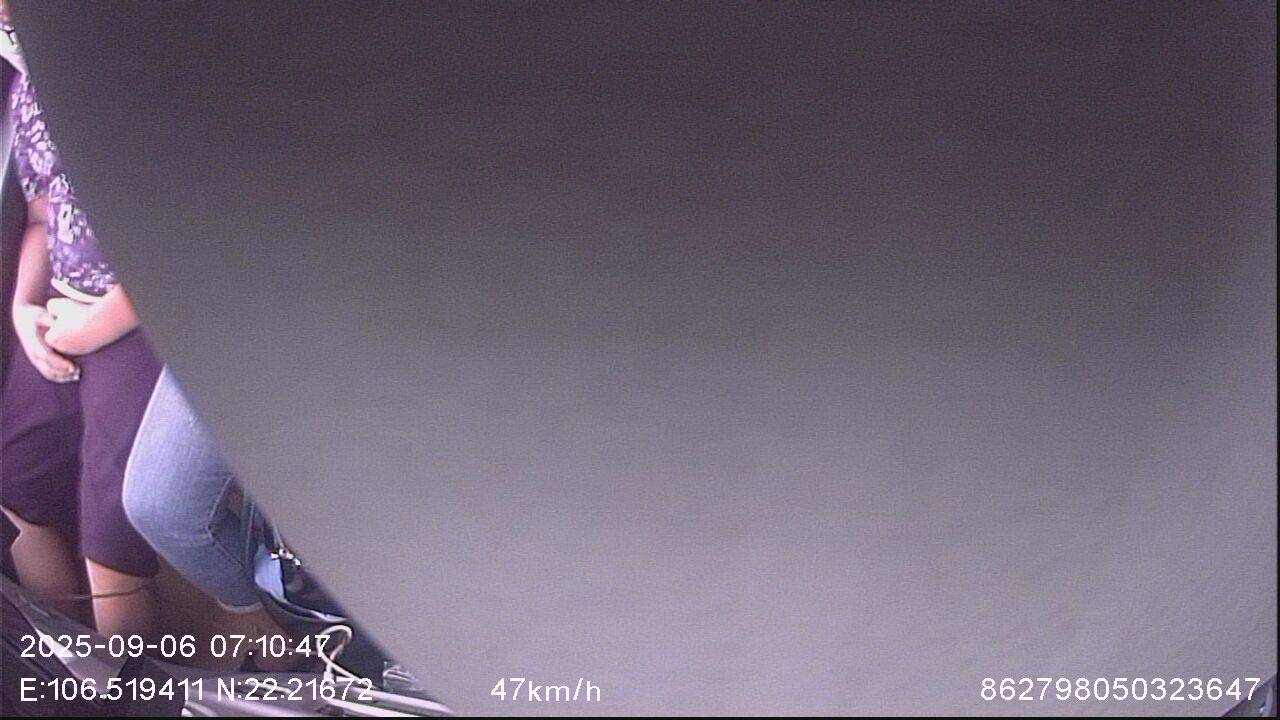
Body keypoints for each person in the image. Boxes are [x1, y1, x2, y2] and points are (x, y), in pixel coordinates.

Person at [0, 7, 162, 640]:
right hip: (61, 306)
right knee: (18, 486)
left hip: (141, 321)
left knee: (111, 536)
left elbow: (178, 230)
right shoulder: (25, 85)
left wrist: (93, 328)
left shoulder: (133, 72)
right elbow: (43, 214)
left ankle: (128, 678)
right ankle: (72, 662)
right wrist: (23, 306)